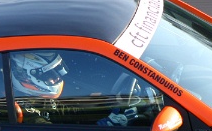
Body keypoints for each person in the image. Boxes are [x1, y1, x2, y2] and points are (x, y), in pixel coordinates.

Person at [10, 51, 146, 126]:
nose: (58, 79)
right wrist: (103, 126)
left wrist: (99, 106)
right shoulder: (21, 110)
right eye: (50, 75)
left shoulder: (37, 98)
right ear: (28, 76)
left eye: (57, 71)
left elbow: (59, 111)